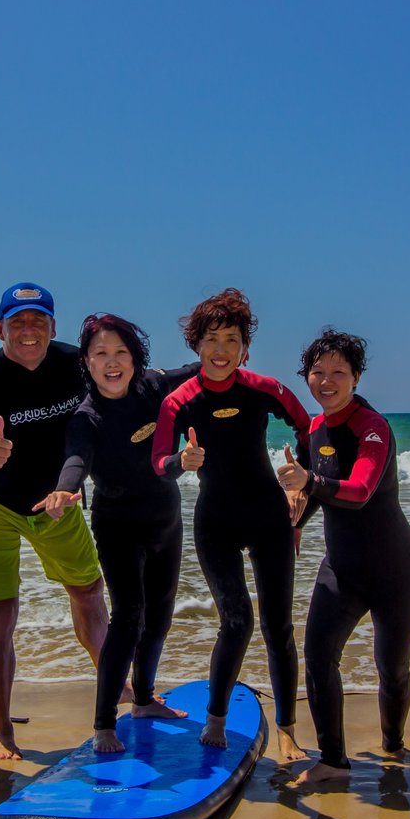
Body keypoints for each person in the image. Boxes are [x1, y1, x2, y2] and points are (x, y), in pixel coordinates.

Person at [0, 282, 109, 760]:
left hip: (55, 501)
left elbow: (123, 392)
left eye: (37, 321)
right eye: (17, 323)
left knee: (88, 591)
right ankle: (1, 730)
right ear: (0, 328)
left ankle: (116, 685)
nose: (28, 331)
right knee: (1, 615)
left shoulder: (75, 365)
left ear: (53, 327)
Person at [151, 288, 311, 761]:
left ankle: (286, 730)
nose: (221, 349)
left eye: (232, 340)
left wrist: (303, 485)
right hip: (216, 520)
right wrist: (183, 460)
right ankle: (216, 717)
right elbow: (159, 462)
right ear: (196, 345)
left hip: (268, 516)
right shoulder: (179, 402)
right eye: (212, 339)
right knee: (236, 622)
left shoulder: (266, 388)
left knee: (278, 628)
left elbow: (311, 430)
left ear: (245, 347)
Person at [33, 314, 197, 752]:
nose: (112, 362)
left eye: (120, 352)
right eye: (100, 353)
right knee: (129, 616)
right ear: (86, 361)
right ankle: (104, 721)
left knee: (160, 614)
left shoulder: (155, 386)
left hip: (166, 518)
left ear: (135, 357)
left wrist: (226, 355)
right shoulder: (86, 418)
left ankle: (144, 700)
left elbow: (205, 368)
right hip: (118, 525)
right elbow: (76, 460)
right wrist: (65, 490)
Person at [278, 328, 410, 786]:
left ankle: (393, 745)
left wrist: (308, 484)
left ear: (356, 377)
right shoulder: (314, 430)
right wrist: (296, 524)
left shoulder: (372, 428)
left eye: (338, 372)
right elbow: (316, 487)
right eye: (318, 372)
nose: (327, 381)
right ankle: (333, 761)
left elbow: (359, 491)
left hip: (394, 571)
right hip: (342, 568)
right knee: (319, 654)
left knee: (393, 669)